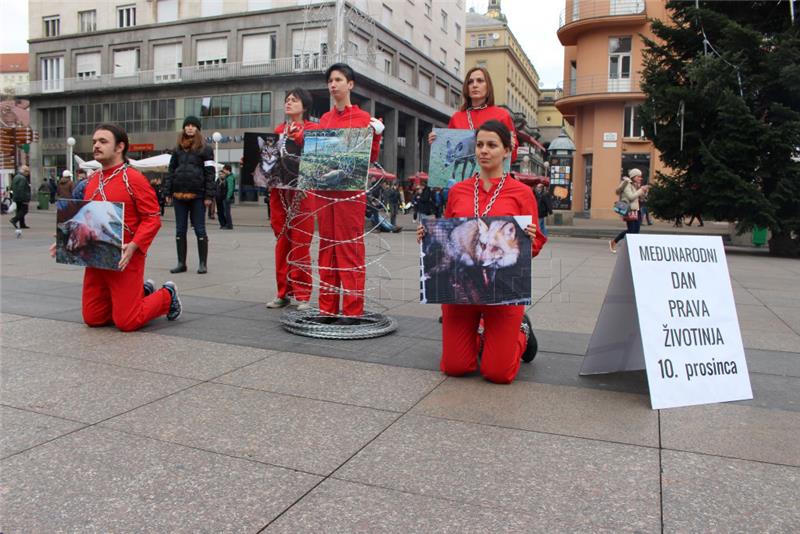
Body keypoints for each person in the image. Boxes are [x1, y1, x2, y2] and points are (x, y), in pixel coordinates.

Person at [417, 120, 546, 384]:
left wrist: (529, 240)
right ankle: (480, 336)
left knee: (497, 373)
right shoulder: (458, 191)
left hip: (503, 290)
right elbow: (448, 230)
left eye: (492, 145)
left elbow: (534, 245)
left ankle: (521, 332)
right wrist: (427, 235)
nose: (484, 151)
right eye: (479, 145)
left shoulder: (522, 193)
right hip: (462, 287)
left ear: (507, 151)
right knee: (455, 367)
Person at [49, 123, 181, 331]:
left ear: (120, 147)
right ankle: (141, 294)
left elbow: (152, 218)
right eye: (94, 142)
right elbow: (86, 217)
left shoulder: (134, 179)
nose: (96, 146)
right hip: (95, 258)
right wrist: (64, 241)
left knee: (127, 322)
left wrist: (135, 245)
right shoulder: (91, 181)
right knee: (93, 318)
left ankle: (167, 296)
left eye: (103, 141)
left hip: (125, 257)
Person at [313, 64, 383, 324]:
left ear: (350, 84)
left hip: (350, 193)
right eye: (330, 80)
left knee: (349, 248)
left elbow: (371, 158)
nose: (333, 85)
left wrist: (376, 136)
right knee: (326, 247)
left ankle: (353, 309)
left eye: (339, 80)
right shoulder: (325, 120)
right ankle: (328, 308)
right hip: (325, 192)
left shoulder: (364, 119)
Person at [266, 87, 320, 310]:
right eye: (287, 99)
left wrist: (302, 139)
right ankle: (283, 291)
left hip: (304, 194)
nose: (288, 103)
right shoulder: (279, 130)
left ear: (304, 106)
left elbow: (319, 159)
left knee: (300, 244)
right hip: (280, 194)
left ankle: (303, 294)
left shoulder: (314, 129)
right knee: (282, 243)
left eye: (294, 100)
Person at [428, 66, 518, 162]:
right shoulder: (457, 117)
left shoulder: (502, 115)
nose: (474, 85)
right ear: (467, 87)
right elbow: (449, 150)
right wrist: (437, 142)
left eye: (480, 81)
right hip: (465, 175)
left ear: (488, 86)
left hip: (492, 175)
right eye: (470, 82)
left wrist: (511, 146)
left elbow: (513, 157)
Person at [164, 116, 215, 274]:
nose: (190, 128)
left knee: (200, 229)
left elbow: (210, 173)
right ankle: (181, 263)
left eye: (193, 126)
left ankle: (202, 264)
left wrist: (209, 195)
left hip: (198, 195)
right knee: (180, 230)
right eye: (187, 125)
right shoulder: (177, 149)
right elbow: (171, 171)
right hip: (179, 195)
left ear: (198, 129)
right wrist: (167, 191)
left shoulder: (206, 149)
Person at [609, 168, 649, 254]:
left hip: (637, 210)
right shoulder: (627, 184)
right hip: (629, 210)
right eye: (638, 176)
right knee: (631, 231)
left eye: (640, 177)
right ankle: (614, 242)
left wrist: (644, 191)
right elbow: (631, 197)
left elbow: (641, 199)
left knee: (636, 231)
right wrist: (641, 190)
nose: (640, 178)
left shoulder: (635, 185)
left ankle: (631, 249)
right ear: (633, 176)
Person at [216, 164, 235, 230]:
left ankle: (229, 225)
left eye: (224, 169)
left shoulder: (230, 178)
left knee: (226, 212)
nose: (223, 171)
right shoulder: (227, 177)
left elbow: (230, 188)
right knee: (224, 211)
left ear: (227, 170)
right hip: (224, 197)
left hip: (226, 198)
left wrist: (228, 197)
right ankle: (226, 224)